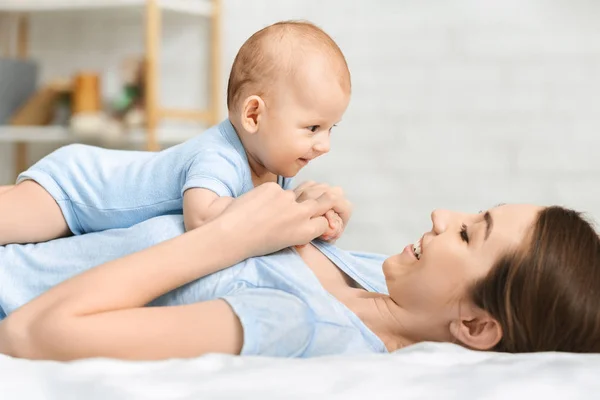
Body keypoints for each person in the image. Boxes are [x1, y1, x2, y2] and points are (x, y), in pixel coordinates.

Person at [0, 182, 598, 361]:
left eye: (469, 234)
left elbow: (31, 334)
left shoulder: (299, 323)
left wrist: (227, 238)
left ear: (473, 326)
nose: (443, 214)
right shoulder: (370, 276)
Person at [0, 20, 350, 246]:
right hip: (76, 189)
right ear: (254, 115)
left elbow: (271, 213)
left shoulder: (275, 167)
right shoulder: (217, 156)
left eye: (330, 128)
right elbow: (201, 218)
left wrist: (313, 215)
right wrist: (289, 211)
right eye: (313, 128)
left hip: (87, 188)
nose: (324, 145)